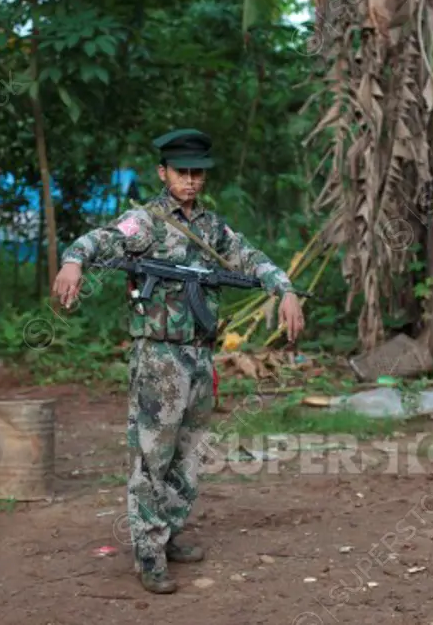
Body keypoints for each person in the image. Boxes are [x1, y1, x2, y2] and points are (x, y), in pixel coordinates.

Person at [52, 128, 305, 594]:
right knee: (153, 455)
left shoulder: (211, 227)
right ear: (162, 173)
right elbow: (100, 240)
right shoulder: (145, 222)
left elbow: (249, 257)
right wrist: (73, 261)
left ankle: (170, 533)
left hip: (199, 356)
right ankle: (148, 553)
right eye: (182, 172)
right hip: (159, 355)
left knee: (189, 452)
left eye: (198, 174)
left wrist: (284, 289)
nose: (191, 181)